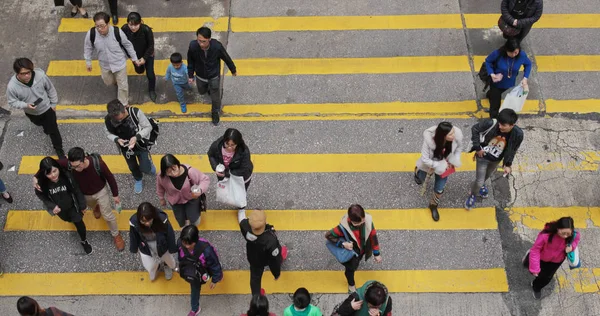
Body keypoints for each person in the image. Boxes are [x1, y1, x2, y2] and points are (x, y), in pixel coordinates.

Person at [33, 147, 124, 251]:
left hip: (100, 192)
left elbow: (110, 178)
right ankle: (96, 207)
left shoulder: (98, 164)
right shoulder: (70, 164)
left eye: (77, 166)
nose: (75, 169)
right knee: (93, 205)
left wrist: (115, 195)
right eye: (72, 166)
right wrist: (36, 176)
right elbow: (50, 164)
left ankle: (116, 235)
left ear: (84, 159)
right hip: (85, 194)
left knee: (107, 215)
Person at [465, 109, 523, 210]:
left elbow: (513, 149)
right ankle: (473, 194)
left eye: (503, 125)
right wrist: (478, 148)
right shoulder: (491, 123)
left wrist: (507, 164)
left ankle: (480, 186)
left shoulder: (518, 134)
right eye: (499, 124)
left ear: (512, 125)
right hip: (482, 157)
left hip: (496, 160)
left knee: (485, 177)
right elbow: (475, 129)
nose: (500, 127)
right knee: (479, 181)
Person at [7, 58, 65, 158]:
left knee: (53, 130)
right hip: (31, 113)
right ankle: (46, 127)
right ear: (17, 73)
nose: (26, 76)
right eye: (23, 74)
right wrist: (25, 105)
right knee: (39, 124)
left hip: (47, 109)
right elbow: (12, 102)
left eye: (28, 72)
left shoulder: (41, 76)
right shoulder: (12, 87)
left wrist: (53, 104)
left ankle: (58, 149)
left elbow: (50, 89)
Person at [34, 157, 92, 254]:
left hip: (73, 207)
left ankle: (84, 240)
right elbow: (42, 196)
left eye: (55, 171)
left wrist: (82, 205)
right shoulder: (42, 184)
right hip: (61, 210)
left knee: (79, 223)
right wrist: (52, 206)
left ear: (58, 168)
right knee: (67, 220)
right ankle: (72, 221)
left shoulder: (67, 176)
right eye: (48, 173)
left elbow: (76, 190)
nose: (53, 175)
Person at [84, 12, 139, 107]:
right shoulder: (91, 34)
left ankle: (124, 103)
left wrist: (134, 58)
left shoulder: (117, 32)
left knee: (123, 86)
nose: (100, 29)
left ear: (108, 24)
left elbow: (127, 45)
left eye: (102, 26)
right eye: (97, 26)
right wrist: (88, 62)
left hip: (119, 64)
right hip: (105, 65)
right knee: (108, 81)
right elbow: (88, 48)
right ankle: (115, 81)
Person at [326, 204, 382, 293]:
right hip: (351, 254)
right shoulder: (342, 228)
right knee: (350, 270)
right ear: (351, 220)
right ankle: (351, 285)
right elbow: (328, 235)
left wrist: (376, 253)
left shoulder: (367, 221)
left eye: (363, 220)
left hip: (361, 250)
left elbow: (373, 236)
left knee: (357, 262)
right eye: (357, 223)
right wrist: (343, 244)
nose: (361, 223)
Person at [187, 26, 237, 125]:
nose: (201, 44)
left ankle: (215, 112)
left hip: (213, 76)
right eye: (199, 40)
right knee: (201, 91)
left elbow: (226, 58)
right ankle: (208, 89)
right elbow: (190, 61)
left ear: (209, 39)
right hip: (200, 75)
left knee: (215, 97)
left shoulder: (217, 47)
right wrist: (190, 75)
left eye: (204, 41)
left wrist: (233, 69)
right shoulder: (193, 46)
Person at [104, 99, 156, 193]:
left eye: (121, 118)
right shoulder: (109, 120)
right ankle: (138, 179)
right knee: (132, 166)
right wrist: (117, 139)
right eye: (117, 120)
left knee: (145, 168)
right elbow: (108, 133)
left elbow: (148, 127)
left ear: (124, 109)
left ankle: (148, 165)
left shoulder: (136, 113)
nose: (120, 121)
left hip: (141, 145)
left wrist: (137, 137)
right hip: (125, 148)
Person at [414, 122, 463, 221]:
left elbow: (459, 148)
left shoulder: (457, 136)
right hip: (430, 165)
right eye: (450, 134)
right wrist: (438, 165)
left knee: (439, 189)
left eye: (453, 132)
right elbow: (425, 159)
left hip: (445, 165)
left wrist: (455, 159)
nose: (454, 135)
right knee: (421, 177)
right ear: (443, 136)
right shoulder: (429, 142)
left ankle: (433, 205)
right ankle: (417, 171)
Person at [524, 217, 580, 299]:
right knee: (531, 267)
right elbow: (535, 251)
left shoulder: (575, 235)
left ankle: (536, 287)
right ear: (557, 229)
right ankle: (528, 259)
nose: (565, 236)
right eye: (563, 233)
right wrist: (535, 269)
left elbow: (575, 241)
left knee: (546, 278)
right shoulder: (545, 236)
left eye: (568, 234)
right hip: (542, 258)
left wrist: (571, 247)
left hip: (556, 261)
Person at [238, 209, 287, 295]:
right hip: (265, 259)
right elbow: (274, 261)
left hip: (253, 258)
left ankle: (256, 297)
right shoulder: (270, 241)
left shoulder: (245, 226)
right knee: (277, 257)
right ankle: (282, 257)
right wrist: (276, 274)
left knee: (255, 278)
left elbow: (242, 220)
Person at [178, 225, 223, 316]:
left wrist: (215, 279)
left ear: (195, 240)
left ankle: (219, 276)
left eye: (189, 244)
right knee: (194, 289)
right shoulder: (180, 243)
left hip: (205, 269)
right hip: (193, 271)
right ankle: (195, 308)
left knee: (216, 269)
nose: (186, 246)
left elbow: (214, 265)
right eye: (184, 243)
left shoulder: (207, 250)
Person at [157, 154, 210, 228]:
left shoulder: (190, 172)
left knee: (194, 219)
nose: (173, 173)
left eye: (174, 169)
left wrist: (199, 190)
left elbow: (204, 179)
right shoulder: (161, 176)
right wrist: (161, 198)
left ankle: (193, 226)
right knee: (180, 219)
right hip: (175, 201)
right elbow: (160, 187)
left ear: (178, 164)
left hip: (191, 199)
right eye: (168, 172)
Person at [129, 202, 178, 281]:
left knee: (167, 259)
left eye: (149, 220)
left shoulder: (162, 219)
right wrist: (134, 248)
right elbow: (133, 236)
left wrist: (172, 248)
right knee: (150, 265)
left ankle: (166, 265)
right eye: (143, 221)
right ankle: (156, 267)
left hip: (162, 243)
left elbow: (170, 234)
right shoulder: (134, 222)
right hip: (145, 245)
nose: (147, 223)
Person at [484, 39, 531, 118]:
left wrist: (525, 78)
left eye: (516, 52)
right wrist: (492, 74)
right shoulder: (498, 53)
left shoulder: (522, 55)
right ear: (506, 50)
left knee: (495, 93)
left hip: (509, 82)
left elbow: (528, 64)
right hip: (496, 83)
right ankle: (494, 120)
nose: (514, 54)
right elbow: (488, 61)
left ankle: (490, 94)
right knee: (495, 106)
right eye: (511, 52)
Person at [207, 128, 253, 207]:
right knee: (226, 190)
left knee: (241, 194)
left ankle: (241, 209)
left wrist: (226, 173)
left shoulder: (244, 151)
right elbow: (211, 155)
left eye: (232, 145)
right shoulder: (217, 145)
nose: (229, 148)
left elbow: (244, 168)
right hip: (224, 174)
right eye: (227, 144)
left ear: (237, 144)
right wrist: (215, 167)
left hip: (241, 177)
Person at [122, 12, 157, 102]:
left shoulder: (146, 30)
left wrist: (144, 58)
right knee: (139, 70)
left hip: (147, 55)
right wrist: (130, 56)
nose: (133, 27)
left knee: (150, 74)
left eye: (136, 25)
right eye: (131, 24)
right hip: (134, 57)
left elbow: (151, 46)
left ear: (140, 22)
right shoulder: (124, 29)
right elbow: (123, 44)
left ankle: (152, 90)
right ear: (127, 23)